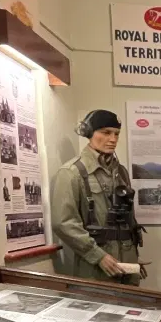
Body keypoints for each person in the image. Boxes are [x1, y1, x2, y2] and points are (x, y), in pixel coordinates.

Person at [51, 109, 144, 285]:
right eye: (106, 132)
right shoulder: (72, 172)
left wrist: (133, 257)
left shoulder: (121, 172)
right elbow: (63, 223)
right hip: (95, 268)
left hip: (128, 264)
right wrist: (97, 255)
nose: (113, 139)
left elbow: (127, 217)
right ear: (89, 133)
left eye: (116, 134)